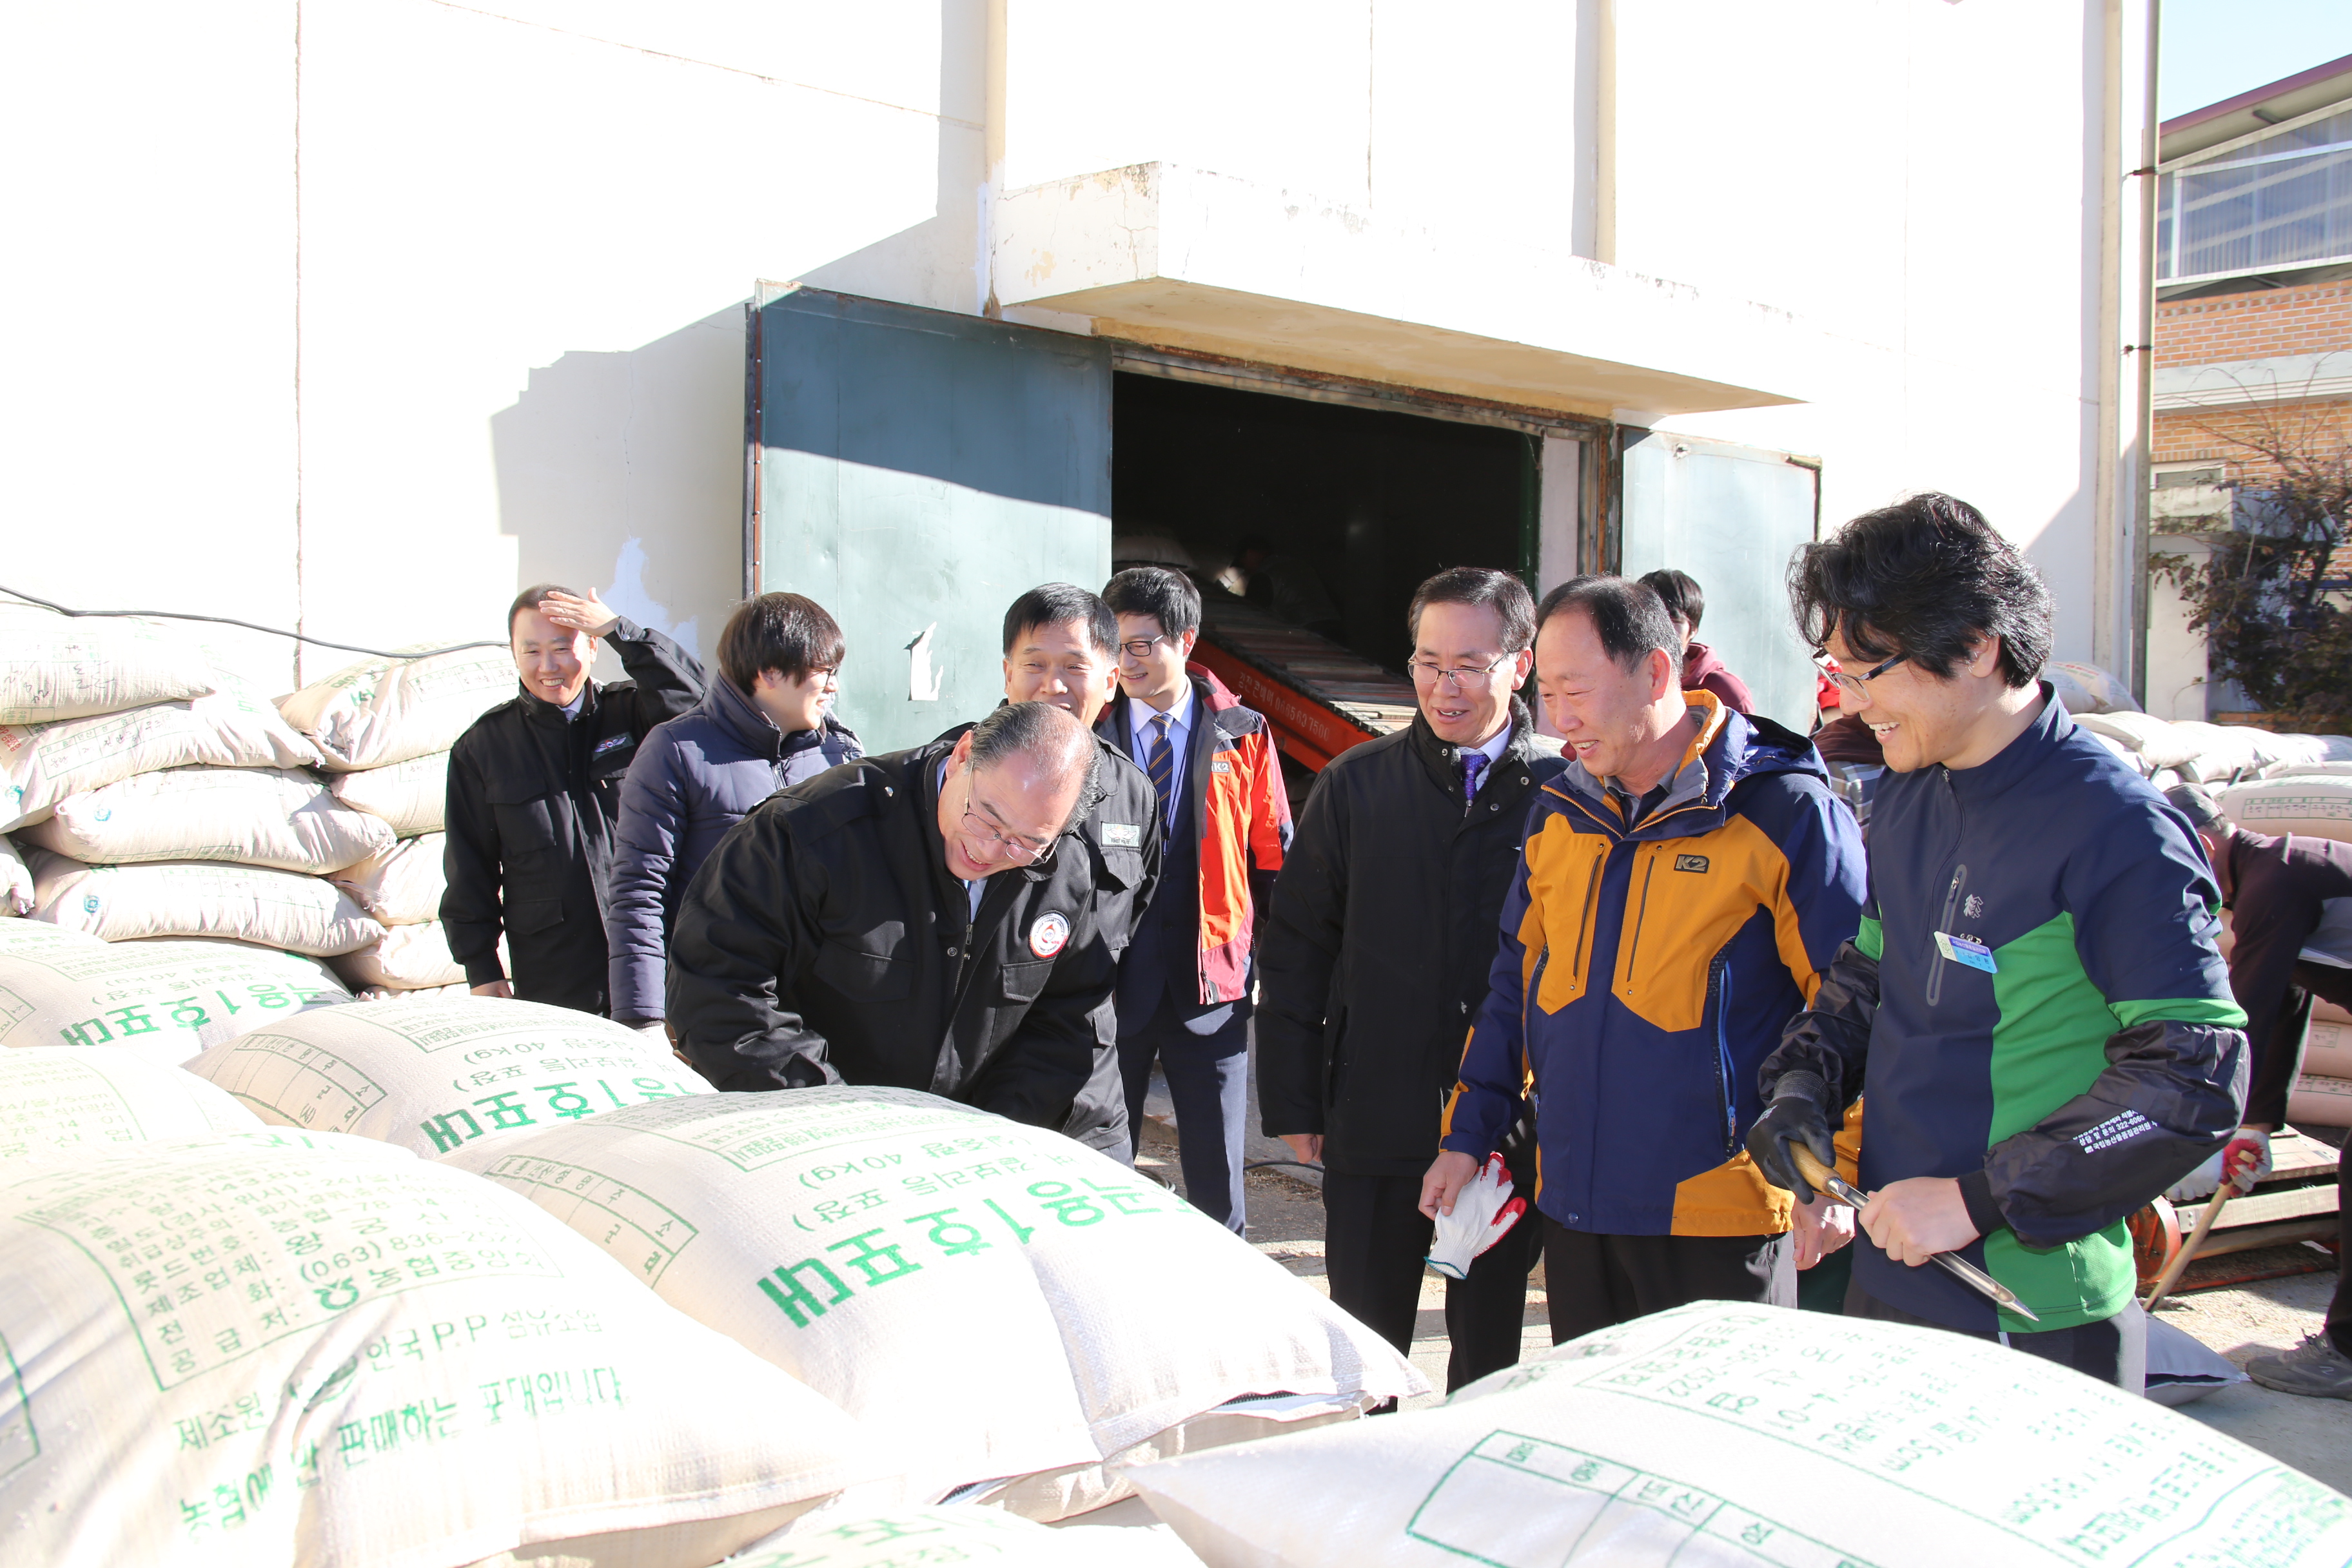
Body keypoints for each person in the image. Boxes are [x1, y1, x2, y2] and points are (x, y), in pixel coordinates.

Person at [1749, 492, 2247, 1391]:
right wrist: (1801, 1085)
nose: (1848, 701)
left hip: (2033, 1312)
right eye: (1837, 671)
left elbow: (2194, 1074)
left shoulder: (2116, 830)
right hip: (1893, 1276)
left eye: (1870, 672)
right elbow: (1869, 974)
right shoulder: (1904, 794)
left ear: (1977, 646)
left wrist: (1980, 1199)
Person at [1421, 574, 1867, 1351]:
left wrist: (1837, 1174)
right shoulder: (1561, 810)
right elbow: (1513, 985)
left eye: (1577, 690)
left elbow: (1855, 1001)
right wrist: (1470, 1133)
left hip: (1717, 1210)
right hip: (1576, 1200)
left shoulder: (1780, 807)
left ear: (1657, 673)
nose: (1560, 718)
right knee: (1597, 1447)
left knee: (1709, 1454)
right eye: (1549, 692)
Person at [1259, 568, 1563, 1390]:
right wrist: (1293, 1098)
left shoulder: (1565, 791)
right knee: (1364, 1336)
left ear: (1520, 664)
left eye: (1469, 663)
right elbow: (1296, 947)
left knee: (1489, 1344)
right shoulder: (1357, 784)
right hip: (1375, 1109)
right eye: (1428, 662)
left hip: (1511, 1123)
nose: (1444, 684)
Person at [667, 701, 1128, 1150]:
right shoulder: (811, 831)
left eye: (1026, 843)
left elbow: (1065, 1022)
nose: (990, 851)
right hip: (811, 1143)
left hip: (969, 1154)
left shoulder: (1065, 869)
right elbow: (718, 990)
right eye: (986, 817)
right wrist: (846, 1119)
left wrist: (988, 1136)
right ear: (963, 757)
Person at [932, 584, 1166, 1164]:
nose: (1052, 685)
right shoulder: (958, 768)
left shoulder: (1132, 794)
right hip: (968, 1099)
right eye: (1035, 664)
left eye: (1074, 667)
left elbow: (1134, 919)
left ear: (1111, 680)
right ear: (1007, 673)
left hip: (1084, 1105)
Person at [1100, 566, 1290, 1233]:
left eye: (1141, 644)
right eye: (1114, 644)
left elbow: (1273, 858)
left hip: (1212, 982)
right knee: (1100, 1165)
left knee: (1217, 1178)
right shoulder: (1085, 732)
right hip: (1107, 986)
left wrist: (1272, 968)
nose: (1125, 661)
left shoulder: (1244, 732)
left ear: (1187, 638)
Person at [604, 593, 862, 1035]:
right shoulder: (677, 751)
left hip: (815, 1010)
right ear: (769, 674)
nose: (834, 686)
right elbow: (640, 892)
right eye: (824, 672)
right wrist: (643, 1019)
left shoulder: (839, 751)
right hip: (715, 1008)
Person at [2168, 782, 2352, 1398]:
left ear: (2199, 844)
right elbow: (2291, 1002)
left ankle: (2346, 1354)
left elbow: (2247, 1010)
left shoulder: (2276, 883)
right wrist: (2257, 1124)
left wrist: (2209, 1125)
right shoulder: (2283, 871)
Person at [443, 583, 705, 1014]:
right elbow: (470, 869)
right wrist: (482, 971)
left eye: (563, 648)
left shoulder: (634, 715)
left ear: (593, 647)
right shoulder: (484, 748)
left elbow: (695, 701)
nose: (548, 666)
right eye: (531, 652)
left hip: (656, 955)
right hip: (558, 976)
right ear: (513, 654)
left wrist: (620, 629)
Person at [1639, 568, 1752, 714]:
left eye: (1673, 622)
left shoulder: (1725, 691)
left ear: (1693, 630)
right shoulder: (1620, 682)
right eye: (1650, 620)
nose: (1660, 631)